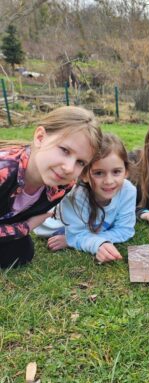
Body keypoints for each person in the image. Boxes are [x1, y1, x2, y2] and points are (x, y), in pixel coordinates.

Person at [0, 106, 102, 268]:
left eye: (80, 162)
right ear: (40, 137)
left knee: (21, 254)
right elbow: (26, 225)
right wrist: (26, 227)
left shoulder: (63, 184)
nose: (69, 168)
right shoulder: (4, 171)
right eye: (64, 150)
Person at [35, 133, 136, 264]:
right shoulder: (74, 196)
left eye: (116, 172)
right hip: (55, 226)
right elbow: (77, 235)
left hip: (85, 229)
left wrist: (94, 240)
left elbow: (125, 229)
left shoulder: (128, 191)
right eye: (98, 173)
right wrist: (76, 240)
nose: (109, 181)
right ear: (84, 175)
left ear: (126, 171)